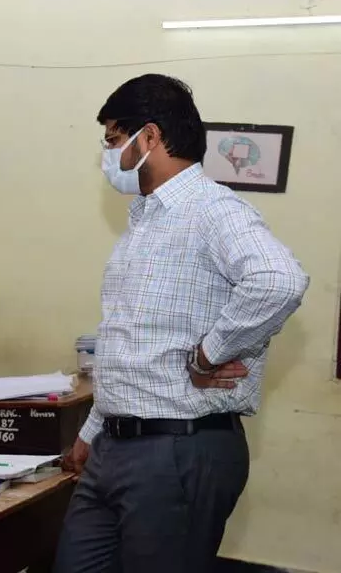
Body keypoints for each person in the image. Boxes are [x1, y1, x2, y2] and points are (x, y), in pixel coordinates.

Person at [54, 74, 309, 573]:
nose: (110, 157)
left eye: (112, 139)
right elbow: (130, 341)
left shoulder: (211, 208)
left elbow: (279, 280)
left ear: (148, 137)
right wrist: (92, 428)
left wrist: (207, 354)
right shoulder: (146, 220)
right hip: (116, 444)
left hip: (178, 448)